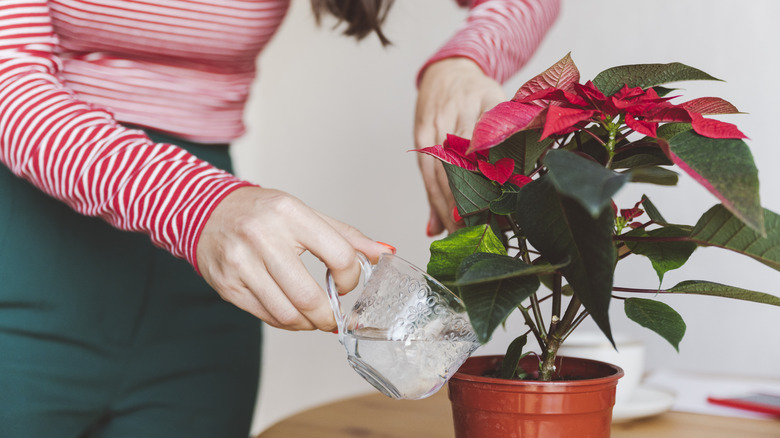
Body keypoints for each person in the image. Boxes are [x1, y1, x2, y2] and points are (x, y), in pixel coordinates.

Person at [0, 0, 559, 436]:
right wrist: (198, 205)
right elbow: (11, 84)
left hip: (199, 280)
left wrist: (465, 61)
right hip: (37, 240)